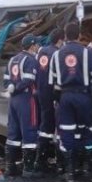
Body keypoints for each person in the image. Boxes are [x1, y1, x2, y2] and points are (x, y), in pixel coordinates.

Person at [49, 22, 92, 182]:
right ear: (79, 34)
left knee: (66, 132)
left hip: (65, 98)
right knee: (88, 130)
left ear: (65, 35)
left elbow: (52, 82)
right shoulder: (87, 52)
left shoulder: (56, 55)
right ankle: (87, 168)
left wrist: (57, 99)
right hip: (84, 97)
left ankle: (69, 171)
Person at [3, 35, 42, 178]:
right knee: (29, 131)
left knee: (13, 132)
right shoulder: (30, 60)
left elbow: (6, 81)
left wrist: (11, 88)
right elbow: (29, 80)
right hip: (26, 99)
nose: (38, 47)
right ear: (32, 46)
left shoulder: (12, 60)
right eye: (37, 45)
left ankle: (10, 167)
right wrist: (18, 87)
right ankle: (29, 170)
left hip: (13, 100)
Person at [34, 27, 65, 173]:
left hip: (41, 91)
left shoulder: (41, 51)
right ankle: (59, 162)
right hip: (53, 93)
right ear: (60, 40)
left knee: (45, 124)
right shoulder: (57, 53)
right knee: (56, 126)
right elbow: (59, 75)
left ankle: (41, 159)